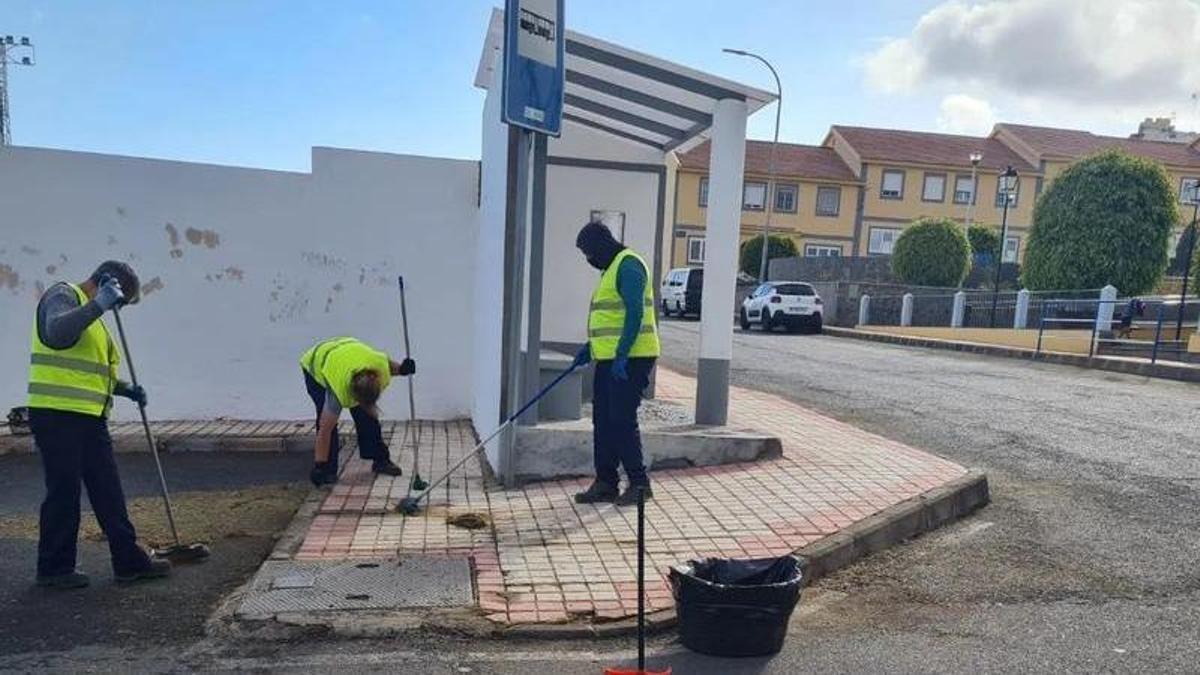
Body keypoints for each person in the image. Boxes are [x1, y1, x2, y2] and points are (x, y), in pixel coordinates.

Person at [28, 261, 171, 589]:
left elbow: (89, 370)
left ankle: (128, 561)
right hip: (56, 415)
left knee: (109, 490)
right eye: (119, 300)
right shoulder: (63, 295)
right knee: (64, 491)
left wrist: (124, 389)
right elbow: (57, 333)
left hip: (89, 418)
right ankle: (54, 568)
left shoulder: (96, 319)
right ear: (107, 283)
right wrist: (99, 303)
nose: (115, 308)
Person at [571, 221, 661, 506]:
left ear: (601, 246)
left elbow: (635, 312)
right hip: (609, 358)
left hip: (632, 358)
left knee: (621, 420)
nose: (588, 259)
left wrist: (622, 354)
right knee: (603, 421)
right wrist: (592, 346)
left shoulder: (629, 265)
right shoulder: (610, 269)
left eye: (588, 252)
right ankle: (606, 482)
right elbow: (612, 318)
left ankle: (639, 484)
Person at [300, 337, 415, 486]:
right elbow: (325, 430)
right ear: (353, 395)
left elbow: (388, 365)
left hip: (349, 351)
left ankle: (380, 460)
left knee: (367, 417)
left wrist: (403, 369)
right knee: (327, 420)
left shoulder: (378, 367)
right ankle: (326, 470)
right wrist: (319, 465)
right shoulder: (338, 390)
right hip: (316, 364)